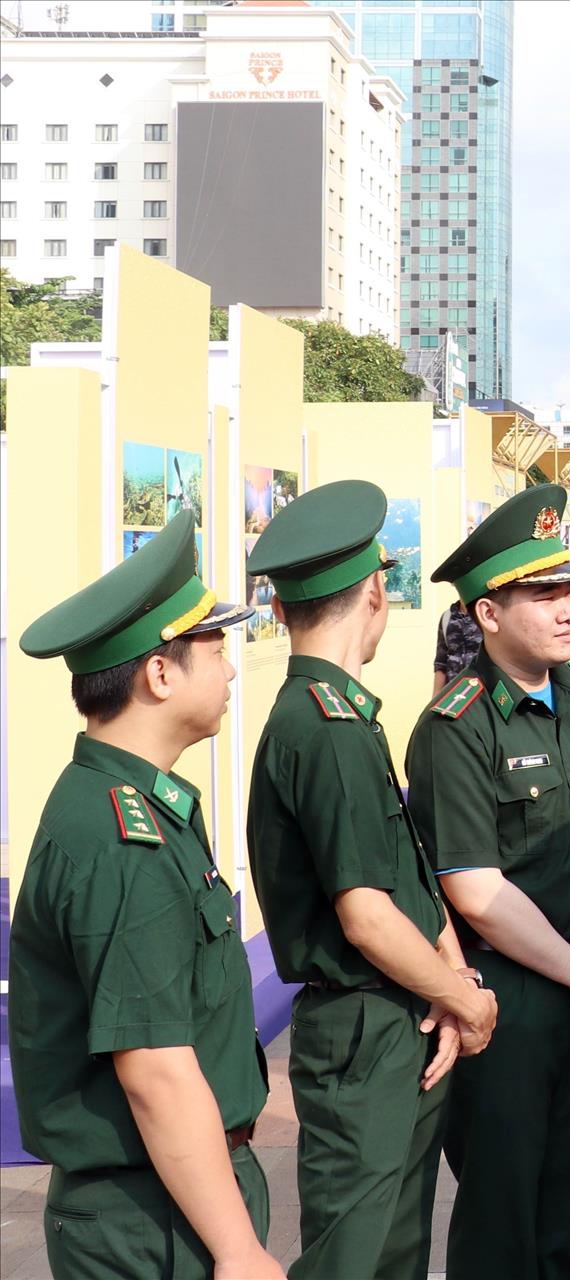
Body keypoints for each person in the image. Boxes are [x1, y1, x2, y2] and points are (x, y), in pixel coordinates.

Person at [11, 514, 280, 1280]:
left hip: (172, 1197)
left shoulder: (134, 805)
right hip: (152, 1220)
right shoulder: (121, 838)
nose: (231, 673)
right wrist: (237, 1251)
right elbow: (156, 1070)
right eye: (216, 652)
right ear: (160, 675)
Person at [243, 481, 498, 1280]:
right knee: (354, 1258)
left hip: (396, 1012)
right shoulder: (326, 727)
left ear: (281, 608)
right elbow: (366, 914)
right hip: (367, 1024)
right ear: (377, 595)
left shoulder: (339, 715)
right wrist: (464, 997)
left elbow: (404, 875)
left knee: (393, 1251)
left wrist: (447, 982)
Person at [405, 484, 570, 1279]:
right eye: (542, 595)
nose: (568, 609)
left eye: (568, 588)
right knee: (504, 1212)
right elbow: (474, 888)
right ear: (487, 613)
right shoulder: (456, 725)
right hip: (508, 996)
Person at [432, 598, 484, 697]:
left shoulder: (487, 615)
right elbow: (441, 663)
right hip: (453, 694)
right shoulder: (447, 617)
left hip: (481, 694)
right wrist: (435, 698)